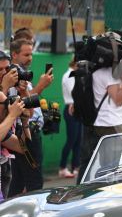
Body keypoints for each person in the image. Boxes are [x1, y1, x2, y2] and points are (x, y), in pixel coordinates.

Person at [77, 59, 122, 184]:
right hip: (111, 125)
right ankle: (109, 196)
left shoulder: (95, 72)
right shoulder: (111, 74)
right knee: (112, 167)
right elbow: (118, 100)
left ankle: (79, 193)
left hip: (93, 123)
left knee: (87, 164)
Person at [8, 38, 53, 197]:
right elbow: (21, 105)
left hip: (27, 129)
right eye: (26, 54)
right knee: (33, 182)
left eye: (31, 54)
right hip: (23, 132)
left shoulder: (21, 75)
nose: (30, 58)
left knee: (18, 181)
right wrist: (41, 86)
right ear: (14, 55)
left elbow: (29, 107)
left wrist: (27, 90)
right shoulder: (12, 76)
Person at [59, 59, 81, 178]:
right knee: (71, 140)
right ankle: (62, 167)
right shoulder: (68, 75)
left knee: (78, 140)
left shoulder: (74, 74)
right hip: (71, 108)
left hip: (77, 108)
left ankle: (75, 167)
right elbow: (74, 93)